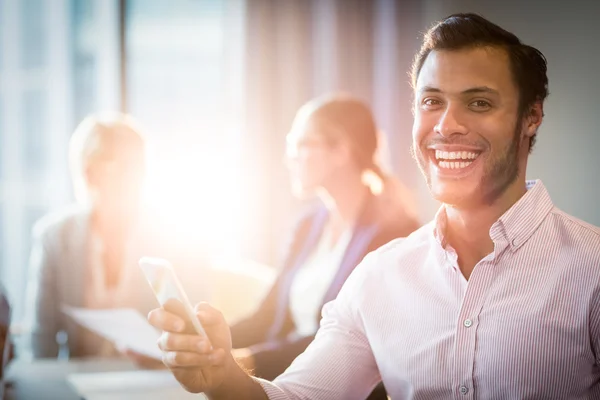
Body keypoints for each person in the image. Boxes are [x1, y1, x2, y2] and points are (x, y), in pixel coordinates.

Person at [148, 13, 600, 399]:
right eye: (431, 102)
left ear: (531, 117)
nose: (447, 125)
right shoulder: (379, 277)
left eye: (478, 102)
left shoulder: (591, 271)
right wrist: (222, 376)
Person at [228, 95, 420, 387]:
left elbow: (348, 340)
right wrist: (202, 345)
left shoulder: (394, 234)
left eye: (300, 144)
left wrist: (247, 360)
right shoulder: (307, 226)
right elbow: (267, 316)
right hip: (285, 379)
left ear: (340, 150)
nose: (288, 157)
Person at [24, 112, 156, 359]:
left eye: (138, 166)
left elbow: (191, 331)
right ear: (87, 173)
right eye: (121, 167)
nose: (134, 177)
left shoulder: (172, 239)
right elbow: (41, 340)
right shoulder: (53, 238)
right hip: (79, 383)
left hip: (151, 383)